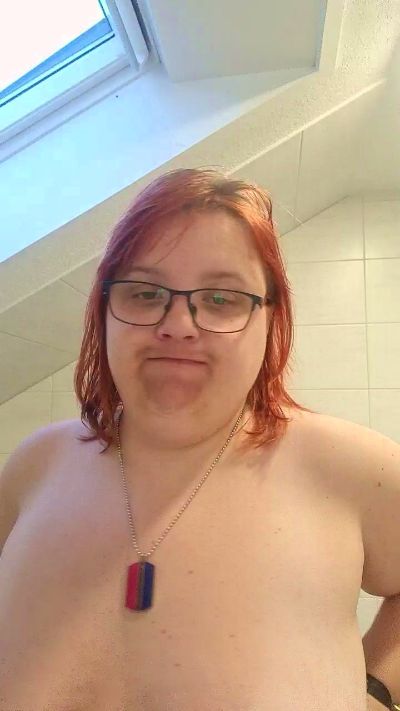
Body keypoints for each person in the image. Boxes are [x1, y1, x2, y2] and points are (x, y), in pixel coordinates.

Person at [0, 168, 391, 709]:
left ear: (270, 319)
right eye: (144, 293)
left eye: (222, 298)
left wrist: (378, 690)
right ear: (104, 311)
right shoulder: (34, 466)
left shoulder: (352, 467)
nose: (179, 325)